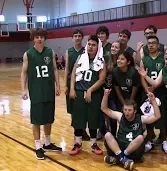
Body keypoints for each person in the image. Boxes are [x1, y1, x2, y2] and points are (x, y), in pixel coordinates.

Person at [20, 28, 62, 160]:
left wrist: (58, 85)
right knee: (37, 120)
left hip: (48, 90)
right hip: (36, 92)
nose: (40, 39)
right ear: (33, 38)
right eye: (37, 37)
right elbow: (24, 73)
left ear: (45, 38)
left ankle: (47, 143)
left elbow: (55, 69)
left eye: (42, 37)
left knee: (48, 118)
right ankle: (38, 147)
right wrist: (23, 89)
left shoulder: (50, 52)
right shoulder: (28, 54)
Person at [101, 89, 161, 171]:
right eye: (125, 110)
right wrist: (105, 95)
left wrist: (153, 100)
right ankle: (122, 158)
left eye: (129, 110)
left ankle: (119, 158)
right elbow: (104, 109)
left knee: (140, 137)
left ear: (135, 111)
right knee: (107, 135)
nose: (126, 112)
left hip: (133, 151)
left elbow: (157, 116)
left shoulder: (141, 118)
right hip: (119, 148)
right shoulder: (120, 116)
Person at [69, 35, 106, 155]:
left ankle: (93, 144)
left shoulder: (101, 61)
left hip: (94, 94)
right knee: (78, 119)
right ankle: (77, 143)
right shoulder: (80, 57)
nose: (90, 47)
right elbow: (74, 73)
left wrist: (90, 90)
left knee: (93, 119)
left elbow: (101, 79)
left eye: (93, 45)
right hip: (79, 91)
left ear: (98, 47)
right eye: (89, 44)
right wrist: (72, 89)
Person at [138, 36, 167, 153]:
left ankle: (164, 141)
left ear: (158, 45)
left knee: (162, 116)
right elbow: (142, 75)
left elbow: (165, 75)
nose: (151, 45)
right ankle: (150, 140)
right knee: (148, 116)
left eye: (153, 43)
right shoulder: (144, 59)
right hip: (147, 92)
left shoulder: (163, 59)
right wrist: (147, 89)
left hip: (160, 91)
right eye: (149, 44)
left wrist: (155, 86)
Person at [64, 29, 90, 141]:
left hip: (83, 82)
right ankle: (77, 129)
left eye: (80, 36)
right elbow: (66, 69)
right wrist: (65, 85)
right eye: (75, 36)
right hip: (71, 83)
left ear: (82, 38)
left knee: (83, 108)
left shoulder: (86, 51)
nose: (78, 37)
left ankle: (82, 130)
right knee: (72, 108)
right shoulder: (68, 51)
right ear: (72, 38)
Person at [103, 40, 121, 136]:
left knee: (118, 113)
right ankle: (110, 133)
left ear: (120, 49)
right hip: (109, 91)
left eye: (116, 47)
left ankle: (119, 133)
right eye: (112, 47)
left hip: (120, 92)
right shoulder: (106, 59)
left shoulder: (122, 60)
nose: (114, 49)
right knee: (110, 114)